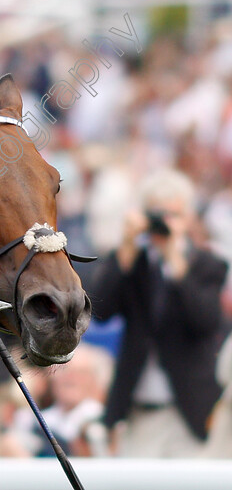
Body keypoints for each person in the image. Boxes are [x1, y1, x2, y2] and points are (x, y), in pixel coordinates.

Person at [87, 168, 230, 457]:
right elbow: (100, 310)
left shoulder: (208, 264)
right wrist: (126, 247)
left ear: (189, 218)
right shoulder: (134, 262)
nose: (164, 223)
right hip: (137, 409)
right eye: (157, 215)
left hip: (188, 411)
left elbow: (206, 321)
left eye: (173, 215)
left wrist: (175, 261)